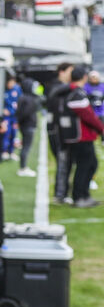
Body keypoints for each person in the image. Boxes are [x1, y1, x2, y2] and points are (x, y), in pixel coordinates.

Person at [62, 66, 103, 208]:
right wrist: (101, 128)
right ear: (84, 77)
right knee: (84, 166)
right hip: (80, 136)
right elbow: (88, 116)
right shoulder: (76, 93)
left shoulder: (75, 92)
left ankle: (84, 195)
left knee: (91, 164)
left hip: (82, 136)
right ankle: (79, 197)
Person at [46, 62, 75, 203]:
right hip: (57, 131)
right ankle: (60, 194)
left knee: (67, 161)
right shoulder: (55, 86)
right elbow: (52, 95)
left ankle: (63, 192)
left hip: (63, 129)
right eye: (71, 71)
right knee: (62, 160)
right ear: (61, 72)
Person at [15, 79, 41, 177]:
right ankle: (23, 168)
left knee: (25, 147)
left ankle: (23, 167)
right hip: (28, 126)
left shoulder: (23, 97)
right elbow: (25, 113)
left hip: (25, 125)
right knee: (26, 147)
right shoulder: (29, 99)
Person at [1, 75, 22, 161]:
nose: (11, 84)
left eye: (13, 82)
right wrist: (3, 110)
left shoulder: (17, 89)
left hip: (15, 116)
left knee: (14, 133)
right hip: (7, 117)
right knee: (6, 133)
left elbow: (20, 102)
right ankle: (4, 151)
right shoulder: (3, 89)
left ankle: (11, 152)